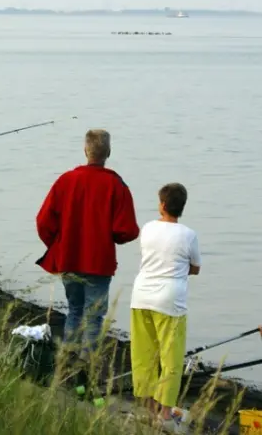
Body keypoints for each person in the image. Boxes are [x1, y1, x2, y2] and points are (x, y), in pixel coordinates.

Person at [35, 129, 139, 366]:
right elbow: (128, 230)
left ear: (85, 150)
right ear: (108, 153)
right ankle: (87, 365)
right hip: (99, 262)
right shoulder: (116, 185)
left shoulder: (66, 180)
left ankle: (69, 360)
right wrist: (109, 237)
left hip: (69, 258)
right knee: (94, 317)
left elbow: (43, 221)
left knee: (74, 310)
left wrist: (57, 244)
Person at [129, 183, 201, 428]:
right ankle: (166, 416)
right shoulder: (189, 235)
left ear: (161, 205)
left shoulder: (148, 228)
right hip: (171, 303)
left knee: (144, 355)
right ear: (182, 208)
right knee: (171, 359)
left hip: (140, 298)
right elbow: (195, 268)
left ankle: (149, 411)